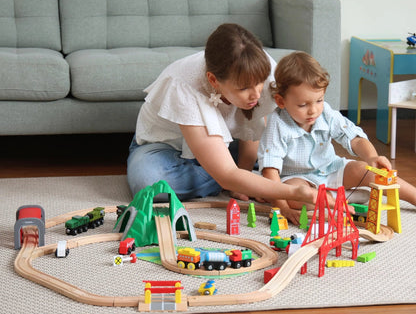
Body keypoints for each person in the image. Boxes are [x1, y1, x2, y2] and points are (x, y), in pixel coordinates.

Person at [127, 23, 316, 206]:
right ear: (213, 80)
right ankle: (242, 177)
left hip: (225, 143)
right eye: (243, 88)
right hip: (165, 147)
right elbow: (226, 174)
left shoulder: (260, 66)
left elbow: (252, 129)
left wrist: (243, 173)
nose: (256, 94)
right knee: (148, 183)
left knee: (291, 150)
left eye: (259, 83)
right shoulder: (184, 85)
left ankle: (240, 175)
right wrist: (291, 191)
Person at [258, 51, 416, 225]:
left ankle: (413, 196)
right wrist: (283, 208)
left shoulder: (325, 113)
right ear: (281, 101)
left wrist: (372, 157)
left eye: (319, 100)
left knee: (366, 170)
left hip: (331, 169)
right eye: (303, 105)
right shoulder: (277, 123)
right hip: (297, 179)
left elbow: (355, 139)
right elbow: (270, 171)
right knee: (295, 198)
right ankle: (340, 198)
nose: (313, 110)